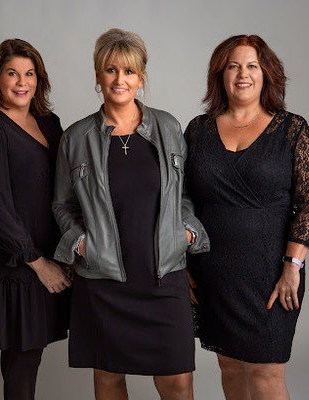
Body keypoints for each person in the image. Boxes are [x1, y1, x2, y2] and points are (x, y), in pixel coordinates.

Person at [52, 28, 209, 400]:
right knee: (108, 378)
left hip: (164, 276)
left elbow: (185, 194)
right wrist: (82, 243)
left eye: (128, 71)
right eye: (111, 70)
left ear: (141, 78)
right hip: (103, 279)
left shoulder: (168, 127)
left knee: (178, 383)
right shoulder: (76, 138)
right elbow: (62, 203)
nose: (119, 80)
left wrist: (186, 232)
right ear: (97, 75)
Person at [184, 34, 309, 400]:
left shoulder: (292, 129)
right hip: (213, 272)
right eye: (233, 66)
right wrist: (180, 263)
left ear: (266, 74)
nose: (242, 74)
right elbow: (181, 201)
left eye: (252, 66)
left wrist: (293, 265)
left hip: (271, 274)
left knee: (266, 373)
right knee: (230, 366)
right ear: (221, 75)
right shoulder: (198, 130)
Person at [0, 39, 71, 400]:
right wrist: (38, 263)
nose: (22, 82)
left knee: (35, 352)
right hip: (20, 261)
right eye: (12, 73)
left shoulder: (49, 123)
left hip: (55, 254)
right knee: (22, 359)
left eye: (30, 74)